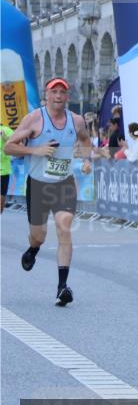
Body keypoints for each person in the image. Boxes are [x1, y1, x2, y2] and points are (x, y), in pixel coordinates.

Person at [3, 78, 93, 305]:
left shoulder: (76, 120)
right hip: (38, 185)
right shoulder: (34, 119)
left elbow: (85, 140)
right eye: (55, 92)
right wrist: (35, 150)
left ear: (67, 96)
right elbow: (9, 147)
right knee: (39, 236)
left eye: (63, 92)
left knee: (64, 227)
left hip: (64, 183)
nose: (59, 96)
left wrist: (86, 159)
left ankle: (62, 287)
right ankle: (33, 249)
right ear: (47, 94)